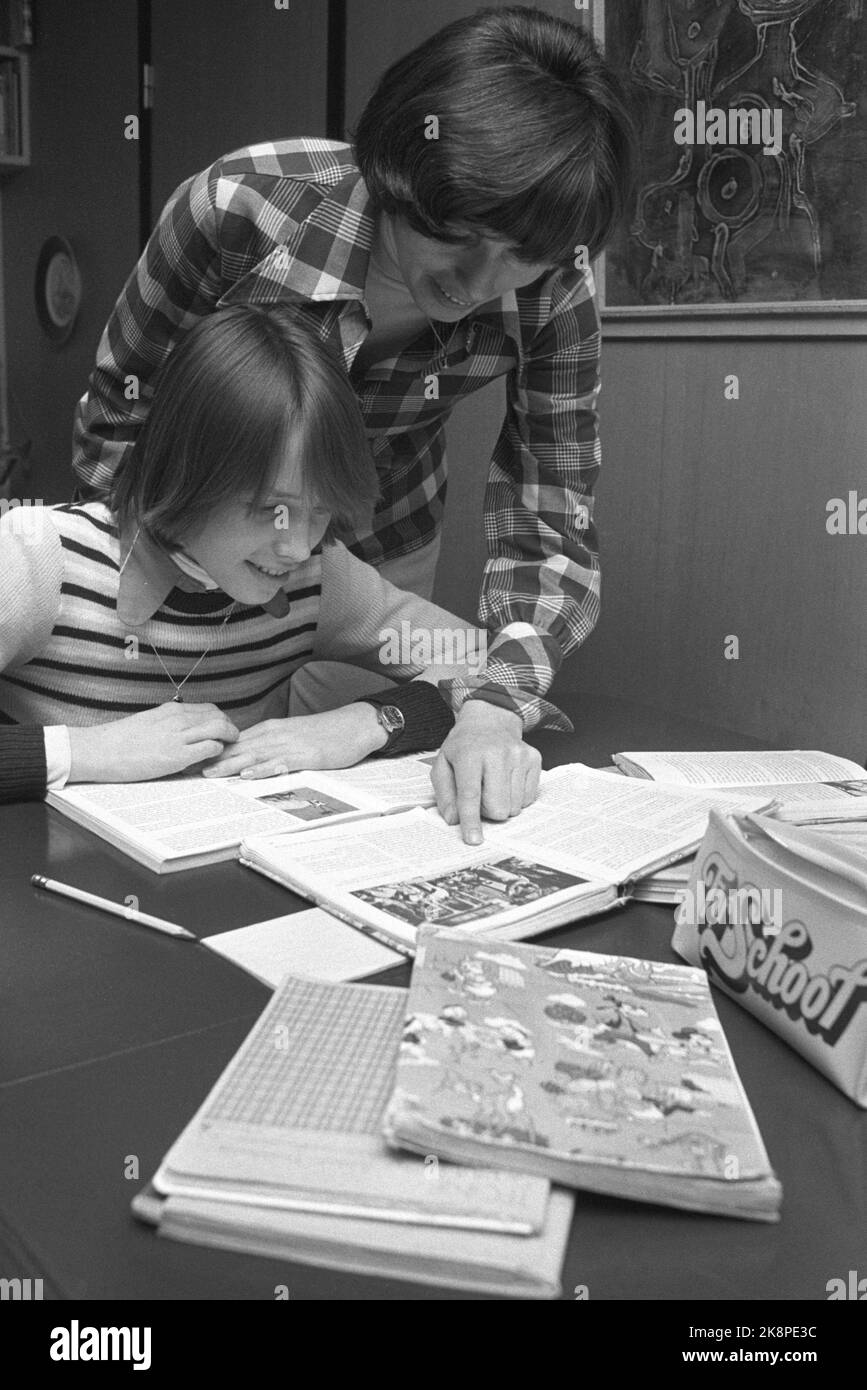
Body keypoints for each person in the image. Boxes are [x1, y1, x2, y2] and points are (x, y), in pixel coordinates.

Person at [71, 6, 635, 837]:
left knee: (332, 794)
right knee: (156, 761)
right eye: (461, 237)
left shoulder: (556, 294)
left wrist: (490, 710)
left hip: (385, 527)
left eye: (521, 255)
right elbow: (119, 414)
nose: (481, 282)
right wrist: (191, 557)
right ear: (398, 170)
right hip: (190, 525)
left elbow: (546, 527)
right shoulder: (244, 209)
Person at [0, 305, 551, 826]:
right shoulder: (39, 555)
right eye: (272, 510)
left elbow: (498, 661)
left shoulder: (319, 577)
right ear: (187, 472)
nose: (297, 547)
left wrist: (371, 722)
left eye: (320, 511)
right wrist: (86, 750)